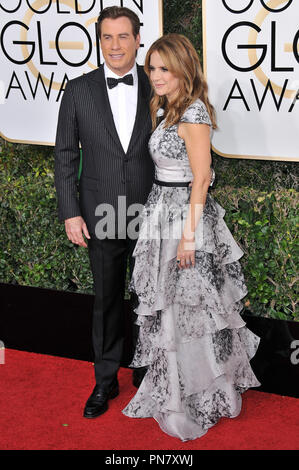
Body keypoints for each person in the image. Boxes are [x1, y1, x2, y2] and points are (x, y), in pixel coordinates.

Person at [122, 33, 261, 441]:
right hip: (161, 212)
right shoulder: (166, 108)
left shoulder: (194, 114)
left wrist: (189, 238)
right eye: (152, 68)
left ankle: (202, 394)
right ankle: (176, 390)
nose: (156, 75)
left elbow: (201, 179)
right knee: (172, 310)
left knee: (193, 311)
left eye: (164, 68)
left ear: (184, 68)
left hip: (185, 219)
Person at [54, 6, 154, 419]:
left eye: (123, 37)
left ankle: (150, 373)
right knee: (107, 300)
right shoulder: (78, 90)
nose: (115, 46)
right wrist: (70, 212)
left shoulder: (160, 84)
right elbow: (64, 155)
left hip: (152, 210)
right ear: (100, 41)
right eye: (107, 38)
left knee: (150, 298)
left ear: (137, 40)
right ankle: (105, 380)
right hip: (101, 211)